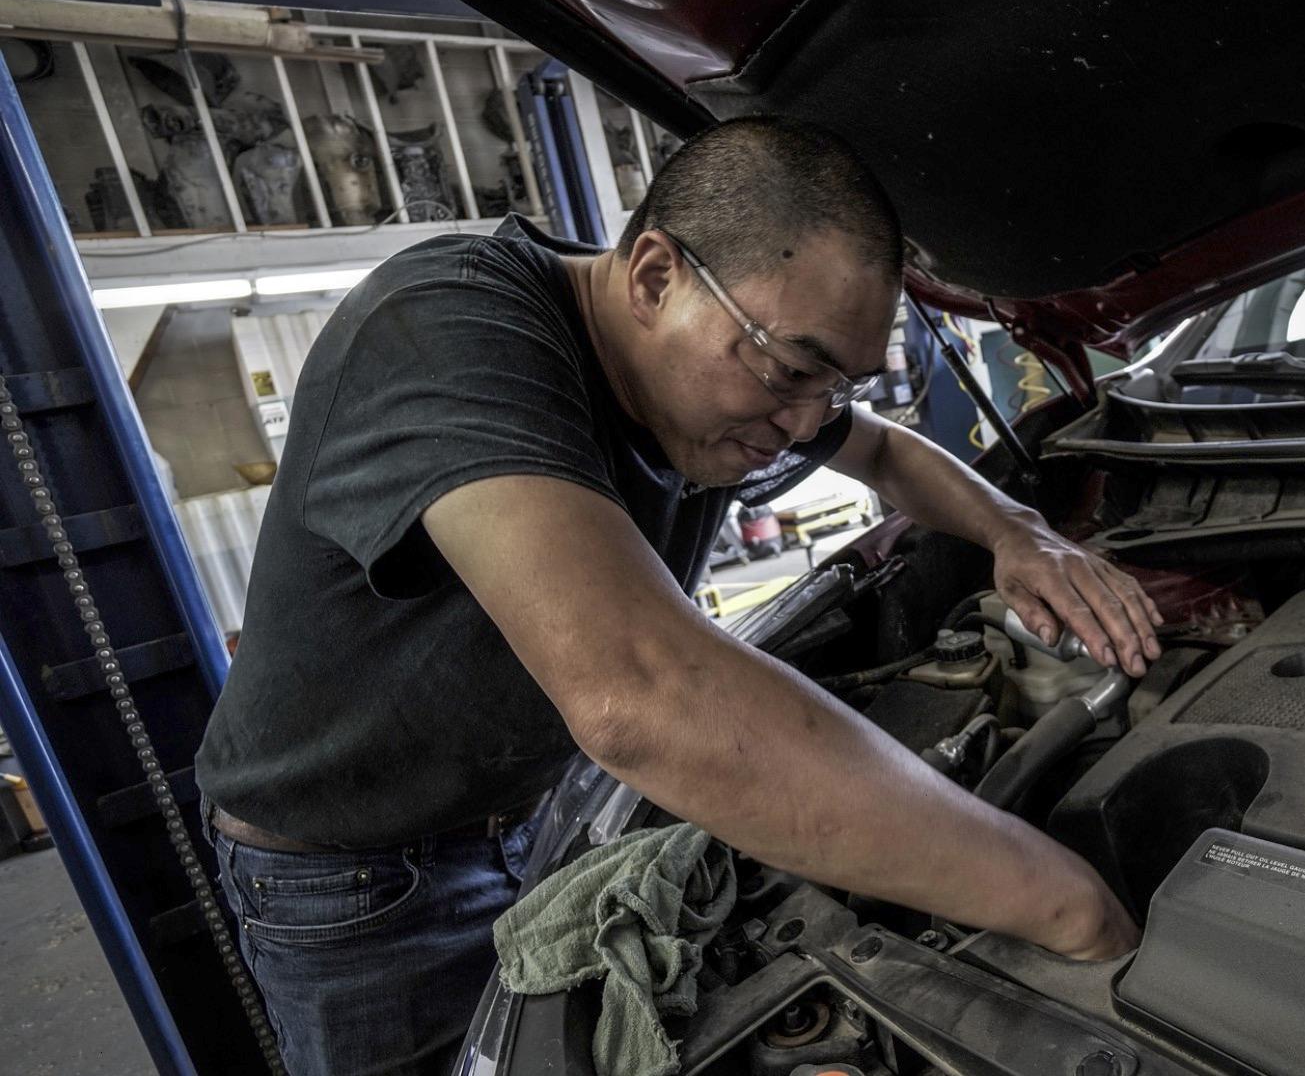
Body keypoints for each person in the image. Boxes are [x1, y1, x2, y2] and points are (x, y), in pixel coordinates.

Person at [194, 116, 1158, 1075]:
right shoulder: (447, 334)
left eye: (836, 382)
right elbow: (644, 698)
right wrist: (1058, 901)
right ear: (656, 277)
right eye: (792, 371)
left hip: (531, 813)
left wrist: (1013, 532)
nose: (804, 421)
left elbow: (882, 449)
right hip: (358, 878)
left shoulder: (711, 369)